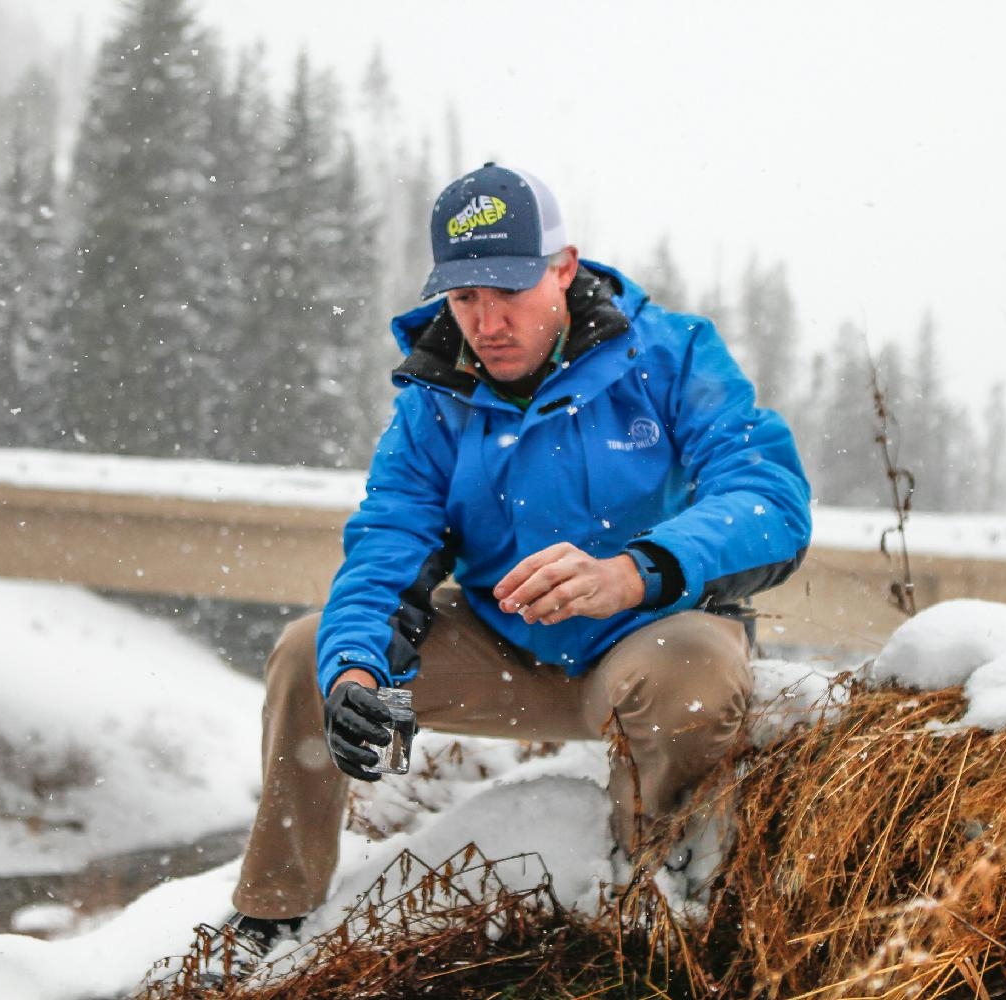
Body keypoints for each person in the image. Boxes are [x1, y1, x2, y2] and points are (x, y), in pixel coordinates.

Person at [222, 163, 812, 955]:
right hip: (503, 649)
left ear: (564, 269)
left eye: (509, 292)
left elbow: (771, 499)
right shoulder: (433, 398)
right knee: (310, 652)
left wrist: (633, 572)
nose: (486, 322)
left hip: (649, 636)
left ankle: (661, 908)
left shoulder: (673, 356)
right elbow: (389, 543)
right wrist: (358, 670)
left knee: (691, 671)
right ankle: (271, 920)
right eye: (465, 298)